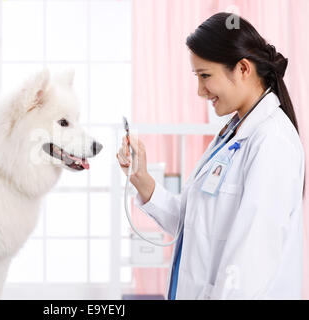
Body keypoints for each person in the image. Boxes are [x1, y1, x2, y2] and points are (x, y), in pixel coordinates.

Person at [116, 12, 305, 300]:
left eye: (205, 76)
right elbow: (190, 221)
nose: (200, 90)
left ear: (243, 69)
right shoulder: (232, 133)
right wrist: (141, 179)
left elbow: (250, 264)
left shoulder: (272, 141)